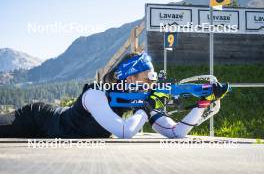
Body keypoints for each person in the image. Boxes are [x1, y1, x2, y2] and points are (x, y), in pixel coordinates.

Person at [0, 52, 228, 138]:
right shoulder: (96, 94)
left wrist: (202, 103)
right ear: (129, 79)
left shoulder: (142, 100)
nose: (154, 81)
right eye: (148, 77)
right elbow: (124, 131)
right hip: (38, 118)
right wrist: (147, 107)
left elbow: (176, 133)